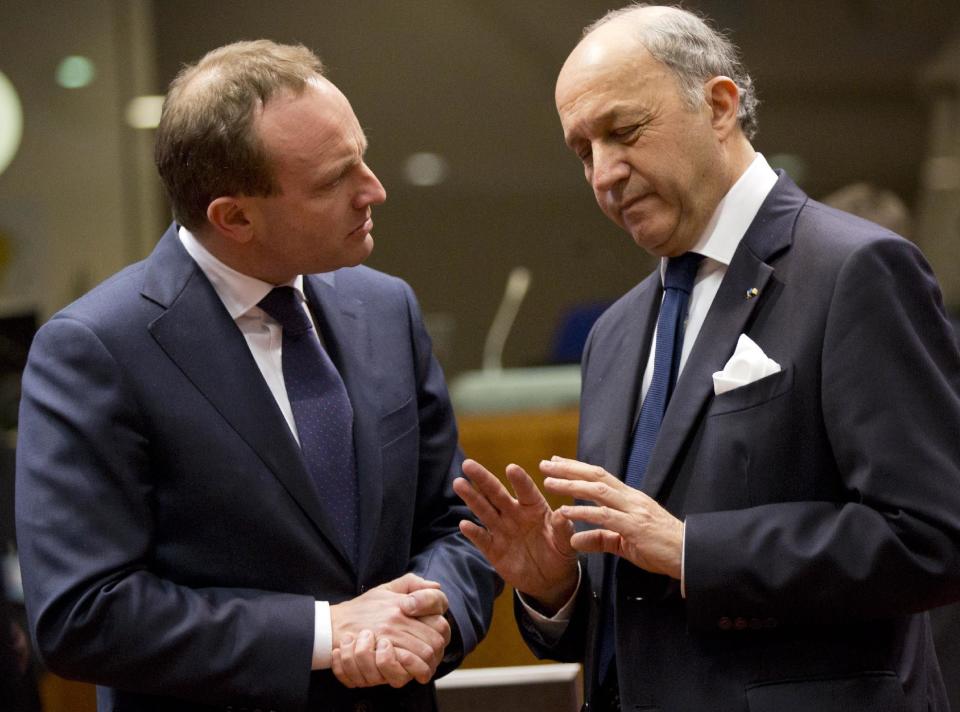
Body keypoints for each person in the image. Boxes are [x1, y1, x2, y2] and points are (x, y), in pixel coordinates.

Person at [454, 4, 960, 711]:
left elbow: (933, 538)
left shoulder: (855, 270)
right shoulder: (616, 333)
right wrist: (558, 590)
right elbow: (632, 615)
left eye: (623, 132)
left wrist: (695, 550)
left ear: (720, 106)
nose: (603, 174)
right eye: (582, 151)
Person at [15, 40, 499, 711]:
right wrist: (327, 632)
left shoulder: (384, 308)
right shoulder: (97, 349)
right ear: (233, 216)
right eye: (335, 180)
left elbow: (457, 527)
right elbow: (83, 613)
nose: (374, 189)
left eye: (362, 154)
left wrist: (422, 623)